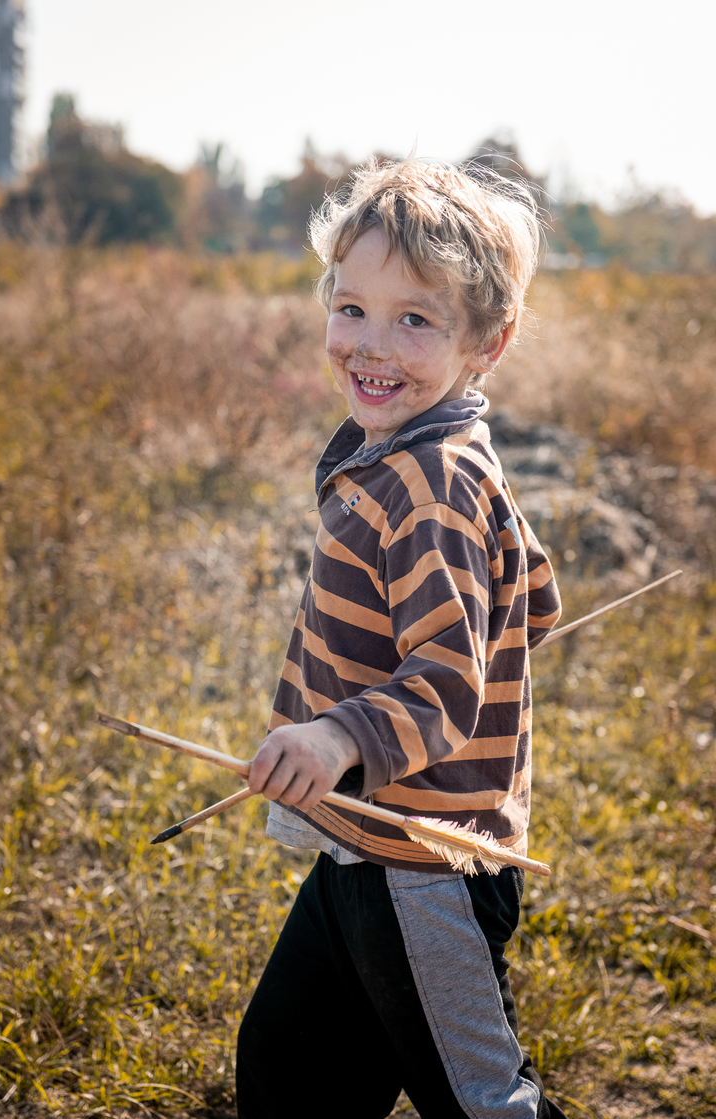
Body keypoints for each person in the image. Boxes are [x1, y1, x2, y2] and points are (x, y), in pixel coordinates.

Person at [236, 158, 566, 1119]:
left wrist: (340, 739)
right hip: (358, 845)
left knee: (480, 1102)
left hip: (426, 867)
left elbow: (443, 688)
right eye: (351, 309)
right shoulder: (417, 450)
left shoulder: (431, 482)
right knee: (289, 1070)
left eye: (415, 319)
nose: (371, 345)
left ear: (487, 342)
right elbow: (530, 592)